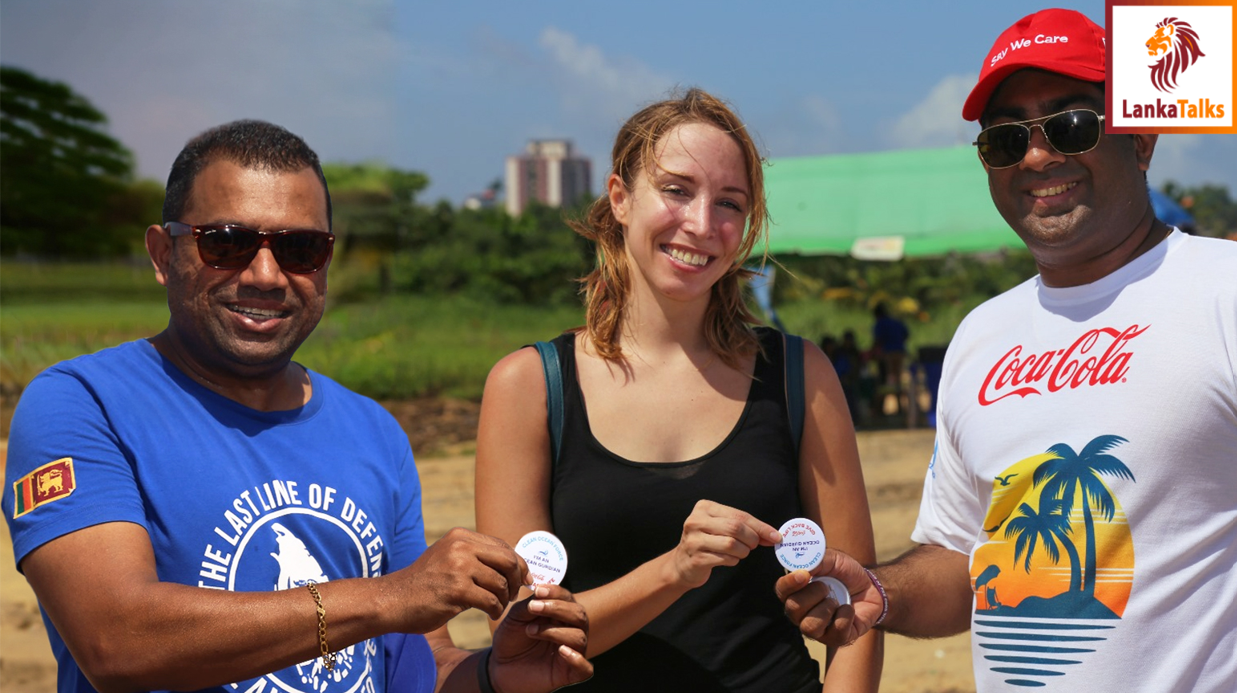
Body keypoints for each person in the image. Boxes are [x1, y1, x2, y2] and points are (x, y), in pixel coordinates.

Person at [2, 120, 592, 693]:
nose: (266, 274)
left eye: (300, 248)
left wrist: (491, 675)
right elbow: (118, 640)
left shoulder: (373, 431)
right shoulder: (83, 404)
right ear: (162, 254)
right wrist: (388, 597)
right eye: (226, 243)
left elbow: (419, 666)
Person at [775, 8, 1237, 692]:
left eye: (1070, 126)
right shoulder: (980, 334)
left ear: (1139, 137)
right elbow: (964, 556)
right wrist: (883, 591)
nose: (1036, 156)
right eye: (1004, 140)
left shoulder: (1220, 291)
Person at [473, 88, 881, 692]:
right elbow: (524, 641)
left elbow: (859, 605)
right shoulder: (531, 386)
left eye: (729, 203)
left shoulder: (798, 374)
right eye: (676, 190)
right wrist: (676, 569)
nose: (701, 223)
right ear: (619, 198)